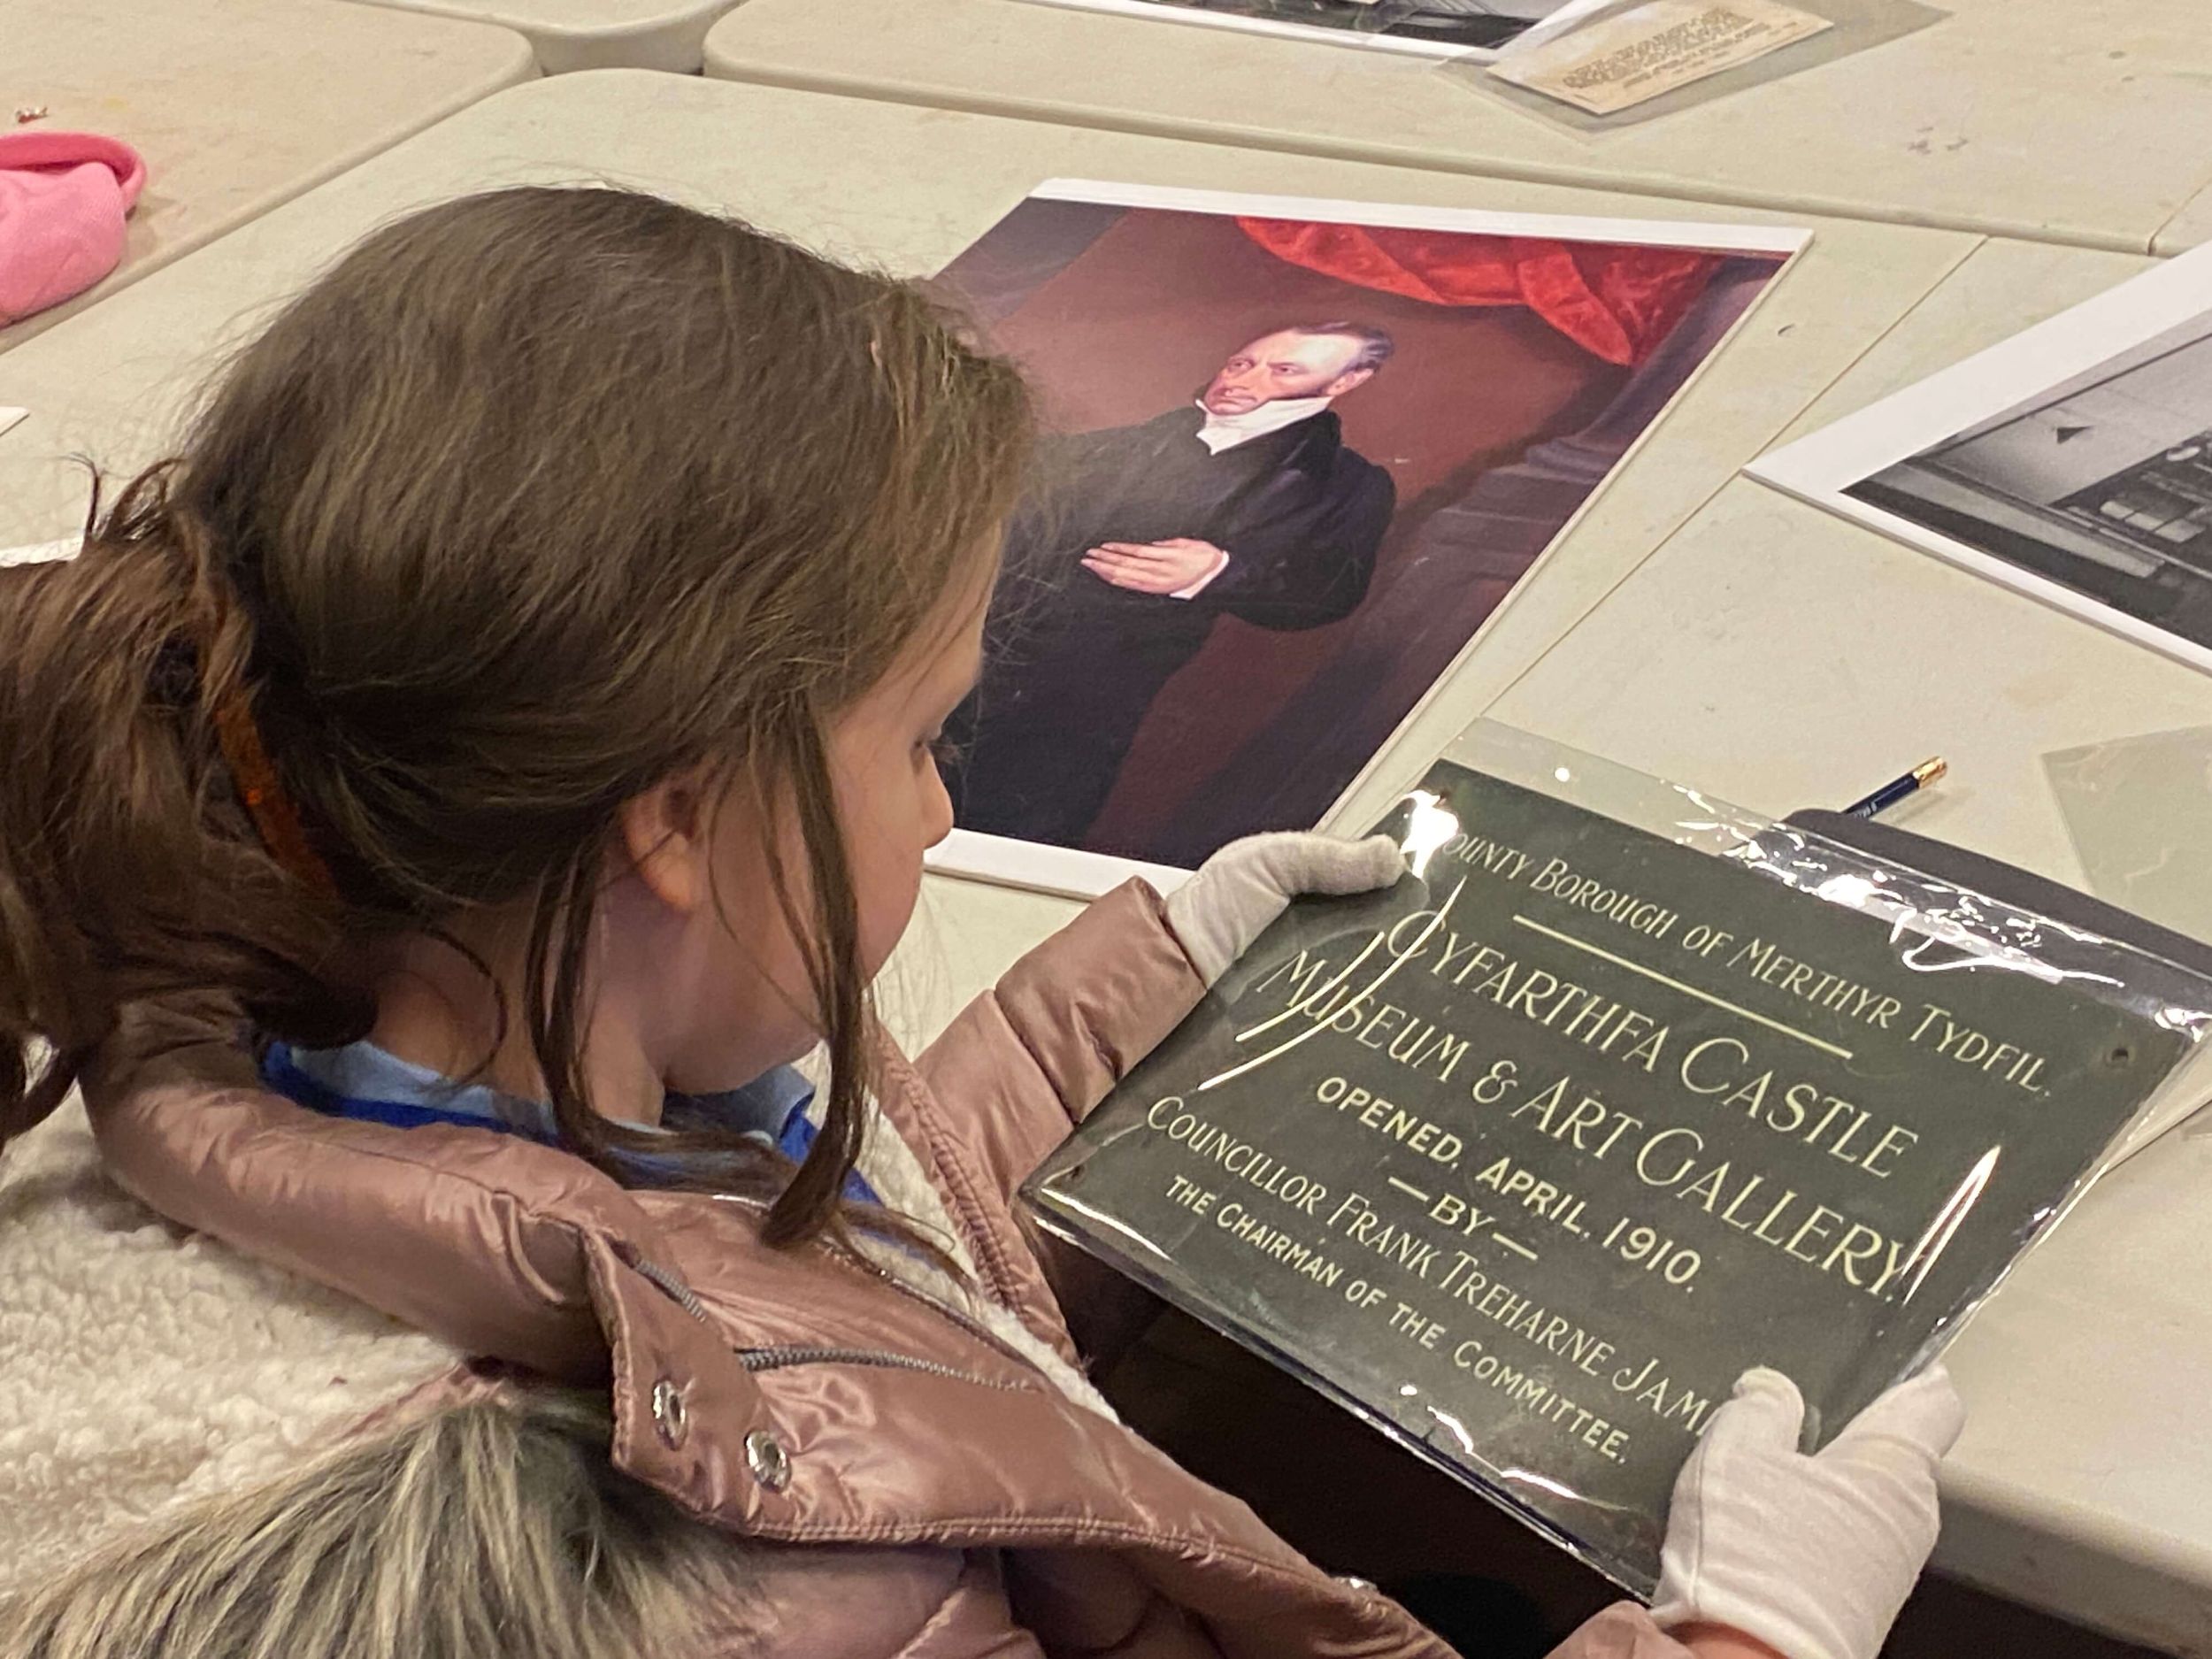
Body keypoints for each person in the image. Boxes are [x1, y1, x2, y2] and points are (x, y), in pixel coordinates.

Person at [0, 186, 1959, 1659]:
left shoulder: (267, 1011)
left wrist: (1131, 989)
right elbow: (767, 1369)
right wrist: (1746, 1640)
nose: (946, 804)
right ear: (680, 814)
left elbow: (746, 1281)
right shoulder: (723, 1589)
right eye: (930, 739)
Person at [948, 323, 1395, 848]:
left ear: (1345, 382)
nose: (1242, 379)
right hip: (969, 663)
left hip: (1093, 699)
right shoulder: (1114, 446)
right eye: (1241, 362)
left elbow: (1331, 589)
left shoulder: (1348, 486)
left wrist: (1220, 572)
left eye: (1285, 370)